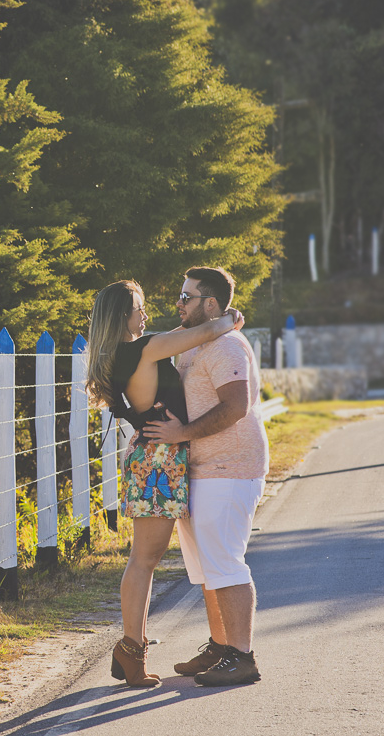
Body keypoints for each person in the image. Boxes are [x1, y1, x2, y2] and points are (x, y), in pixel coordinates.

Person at [86, 280, 243, 687]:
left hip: (155, 458)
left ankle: (131, 649)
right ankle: (130, 651)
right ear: (123, 315)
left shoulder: (132, 350)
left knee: (146, 558)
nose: (146, 313)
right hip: (159, 461)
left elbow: (179, 336)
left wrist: (218, 323)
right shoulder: (144, 348)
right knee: (145, 558)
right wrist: (229, 319)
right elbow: (204, 332)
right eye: (139, 307)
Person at [143, 266, 268, 686]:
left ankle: (242, 657)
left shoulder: (227, 346)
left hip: (230, 467)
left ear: (210, 303)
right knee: (205, 568)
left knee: (226, 564)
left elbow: (236, 407)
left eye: (186, 297)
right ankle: (220, 647)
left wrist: (182, 433)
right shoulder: (194, 344)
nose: (177, 304)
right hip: (199, 469)